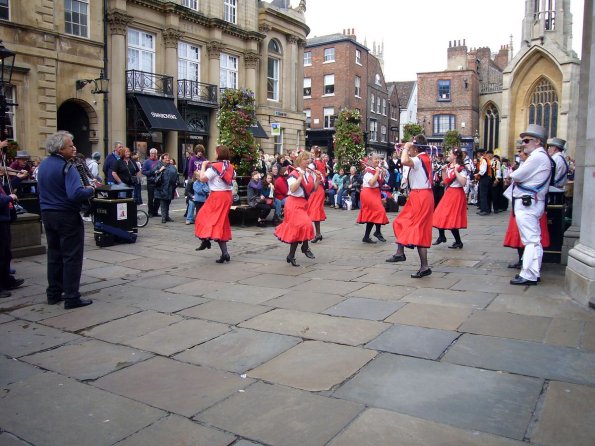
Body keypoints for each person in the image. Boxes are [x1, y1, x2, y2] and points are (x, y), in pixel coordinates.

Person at [37, 131, 95, 309]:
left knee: (54, 254)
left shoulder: (44, 165)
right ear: (61, 149)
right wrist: (90, 189)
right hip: (66, 215)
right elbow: (75, 193)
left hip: (48, 214)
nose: (74, 148)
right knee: (71, 256)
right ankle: (71, 297)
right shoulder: (67, 167)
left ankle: (53, 293)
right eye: (70, 145)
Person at [506, 124, 552, 286]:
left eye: (526, 140)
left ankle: (529, 274)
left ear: (538, 141)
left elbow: (516, 175)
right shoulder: (540, 156)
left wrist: (514, 175)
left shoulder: (538, 157)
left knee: (531, 240)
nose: (523, 143)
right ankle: (533, 271)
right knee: (534, 239)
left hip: (528, 204)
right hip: (531, 202)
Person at [387, 135, 434, 278]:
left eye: (411, 148)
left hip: (421, 196)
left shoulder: (420, 159)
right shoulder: (423, 158)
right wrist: (406, 146)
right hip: (418, 195)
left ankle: (424, 266)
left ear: (415, 147)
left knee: (418, 229)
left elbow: (404, 160)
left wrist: (406, 148)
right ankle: (400, 253)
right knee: (401, 221)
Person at [274, 151, 318, 266]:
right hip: (293, 204)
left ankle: (291, 255)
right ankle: (305, 248)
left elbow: (313, 189)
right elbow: (293, 189)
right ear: (300, 160)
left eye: (309, 159)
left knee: (297, 231)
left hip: (303, 204)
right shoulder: (294, 173)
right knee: (307, 225)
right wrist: (300, 178)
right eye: (305, 159)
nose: (308, 161)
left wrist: (318, 179)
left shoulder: (309, 173)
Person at [195, 145, 236, 263]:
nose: (214, 153)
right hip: (227, 196)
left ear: (219, 153)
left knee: (202, 217)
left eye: (215, 152)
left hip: (217, 196)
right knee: (220, 222)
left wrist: (203, 166)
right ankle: (225, 253)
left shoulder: (214, 167)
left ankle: (205, 240)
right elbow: (233, 178)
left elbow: (203, 178)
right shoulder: (230, 166)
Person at [0, 140, 26, 298]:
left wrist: (19, 178)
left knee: (6, 253)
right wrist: (9, 198)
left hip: (4, 218)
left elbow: (7, 189)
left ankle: (7, 280)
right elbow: (5, 196)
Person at [432, 148, 468, 249]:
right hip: (449, 192)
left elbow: (463, 182)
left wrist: (456, 171)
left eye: (450, 153)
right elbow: (445, 181)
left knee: (452, 218)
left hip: (457, 193)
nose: (448, 155)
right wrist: (444, 171)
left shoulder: (461, 168)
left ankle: (458, 241)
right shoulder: (448, 166)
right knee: (439, 213)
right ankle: (442, 236)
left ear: (455, 156)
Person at [357, 155, 389, 243]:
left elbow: (380, 182)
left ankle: (366, 237)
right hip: (369, 193)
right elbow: (371, 182)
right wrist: (378, 172)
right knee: (380, 211)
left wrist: (382, 174)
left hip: (375, 193)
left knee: (372, 215)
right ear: (370, 161)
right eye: (375, 159)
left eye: (378, 159)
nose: (377, 160)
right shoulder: (368, 171)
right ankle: (377, 232)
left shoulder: (375, 169)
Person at [307, 146, 327, 243]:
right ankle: (318, 234)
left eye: (312, 152)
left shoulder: (314, 163)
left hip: (316, 189)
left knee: (314, 211)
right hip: (317, 189)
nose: (310, 153)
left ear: (317, 154)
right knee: (314, 211)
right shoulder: (320, 163)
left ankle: (314, 234)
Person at [154, 153, 178, 223]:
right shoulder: (159, 165)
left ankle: (167, 216)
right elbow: (154, 173)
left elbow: (176, 175)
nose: (167, 159)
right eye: (166, 158)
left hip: (170, 188)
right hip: (161, 187)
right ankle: (163, 217)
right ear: (162, 159)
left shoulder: (172, 167)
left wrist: (176, 183)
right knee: (163, 202)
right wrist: (160, 170)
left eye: (168, 158)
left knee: (168, 202)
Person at [547, 137, 569, 205]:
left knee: (553, 212)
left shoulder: (556, 158)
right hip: (557, 189)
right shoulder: (560, 158)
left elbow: (554, 176)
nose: (549, 149)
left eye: (550, 147)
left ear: (555, 148)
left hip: (554, 190)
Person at [142, 148, 161, 217]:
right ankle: (150, 212)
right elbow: (143, 171)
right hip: (150, 182)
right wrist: (151, 172)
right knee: (151, 198)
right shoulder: (147, 162)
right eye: (152, 153)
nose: (154, 155)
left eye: (155, 153)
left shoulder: (159, 162)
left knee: (158, 198)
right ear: (150, 154)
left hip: (158, 182)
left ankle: (155, 211)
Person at [476, 148, 493, 216]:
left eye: (478, 153)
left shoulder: (483, 160)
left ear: (480, 153)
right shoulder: (486, 159)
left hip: (484, 178)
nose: (477, 155)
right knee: (486, 194)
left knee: (483, 194)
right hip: (487, 178)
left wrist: (477, 174)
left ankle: (484, 210)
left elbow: (482, 171)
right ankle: (486, 209)